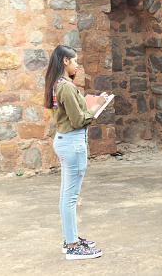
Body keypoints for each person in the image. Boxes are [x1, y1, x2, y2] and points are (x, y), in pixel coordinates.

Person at [44, 44, 108, 260]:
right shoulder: (66, 87)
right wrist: (97, 105)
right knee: (70, 197)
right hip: (72, 143)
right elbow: (79, 119)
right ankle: (72, 245)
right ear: (65, 61)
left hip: (65, 141)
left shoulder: (57, 84)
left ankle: (70, 238)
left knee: (66, 195)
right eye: (75, 61)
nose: (77, 65)